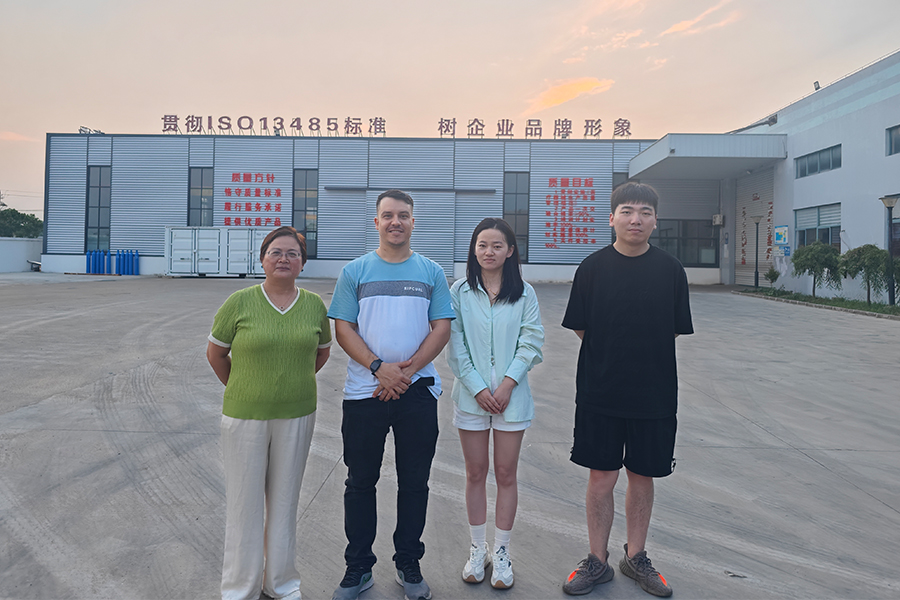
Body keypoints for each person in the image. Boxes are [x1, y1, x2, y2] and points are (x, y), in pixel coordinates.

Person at [561, 182, 693, 598]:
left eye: (645, 212)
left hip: (654, 394)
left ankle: (636, 557)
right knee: (601, 476)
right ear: (612, 218)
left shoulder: (671, 271)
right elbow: (582, 327)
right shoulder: (591, 268)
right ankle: (596, 560)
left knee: (642, 475)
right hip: (600, 391)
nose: (636, 219)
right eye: (627, 211)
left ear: (655, 220)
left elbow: (672, 329)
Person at [328, 189, 454, 600]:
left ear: (413, 221)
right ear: (377, 222)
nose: (395, 222)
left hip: (417, 394)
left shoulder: (431, 271)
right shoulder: (355, 271)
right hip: (364, 393)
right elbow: (343, 328)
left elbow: (441, 328)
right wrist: (379, 369)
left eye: (403, 215)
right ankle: (358, 567)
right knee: (360, 482)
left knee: (415, 482)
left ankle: (408, 563)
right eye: (388, 215)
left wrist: (407, 372)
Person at [206, 226, 332, 600]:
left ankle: (281, 583)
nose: (283, 259)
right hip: (244, 416)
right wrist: (245, 387)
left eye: (293, 253)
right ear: (262, 259)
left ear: (303, 262)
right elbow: (216, 354)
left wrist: (291, 382)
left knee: (284, 501)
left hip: (297, 414)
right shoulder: (239, 302)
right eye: (276, 252)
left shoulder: (314, 305)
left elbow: (321, 353)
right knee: (244, 504)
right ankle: (239, 588)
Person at [447, 217, 544, 589]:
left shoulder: (525, 293)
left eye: (497, 246)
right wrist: (477, 388)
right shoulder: (459, 291)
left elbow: (531, 341)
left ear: (510, 251)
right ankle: (478, 550)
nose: (489, 252)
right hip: (471, 398)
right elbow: (455, 345)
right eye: (482, 245)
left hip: (511, 399)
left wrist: (506, 385)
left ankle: (501, 552)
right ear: (474, 250)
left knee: (505, 473)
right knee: (475, 473)